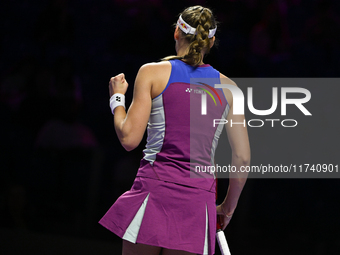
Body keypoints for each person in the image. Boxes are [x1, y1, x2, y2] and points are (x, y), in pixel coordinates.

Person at [99, 5, 250, 255]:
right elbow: (242, 158)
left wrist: (117, 100)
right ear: (211, 42)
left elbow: (128, 138)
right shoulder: (229, 88)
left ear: (176, 34)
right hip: (196, 203)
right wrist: (227, 208)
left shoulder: (151, 73)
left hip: (153, 193)